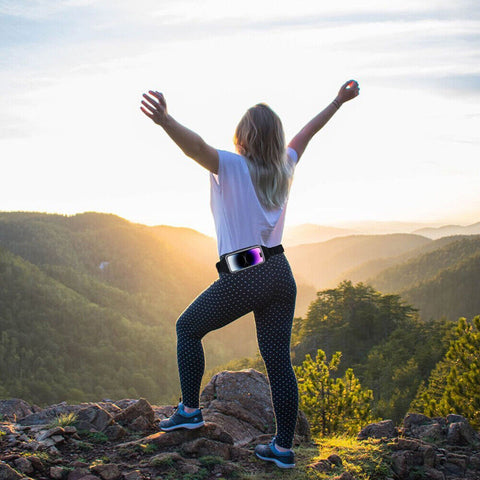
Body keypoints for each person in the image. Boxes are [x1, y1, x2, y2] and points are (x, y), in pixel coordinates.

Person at [140, 80, 360, 469]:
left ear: (243, 135)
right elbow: (307, 132)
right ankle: (283, 449)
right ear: (275, 138)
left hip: (246, 270)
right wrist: (337, 102)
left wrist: (166, 121)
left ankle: (190, 410)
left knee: (187, 328)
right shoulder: (285, 165)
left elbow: (196, 148)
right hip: (280, 270)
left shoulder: (233, 165)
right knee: (278, 362)